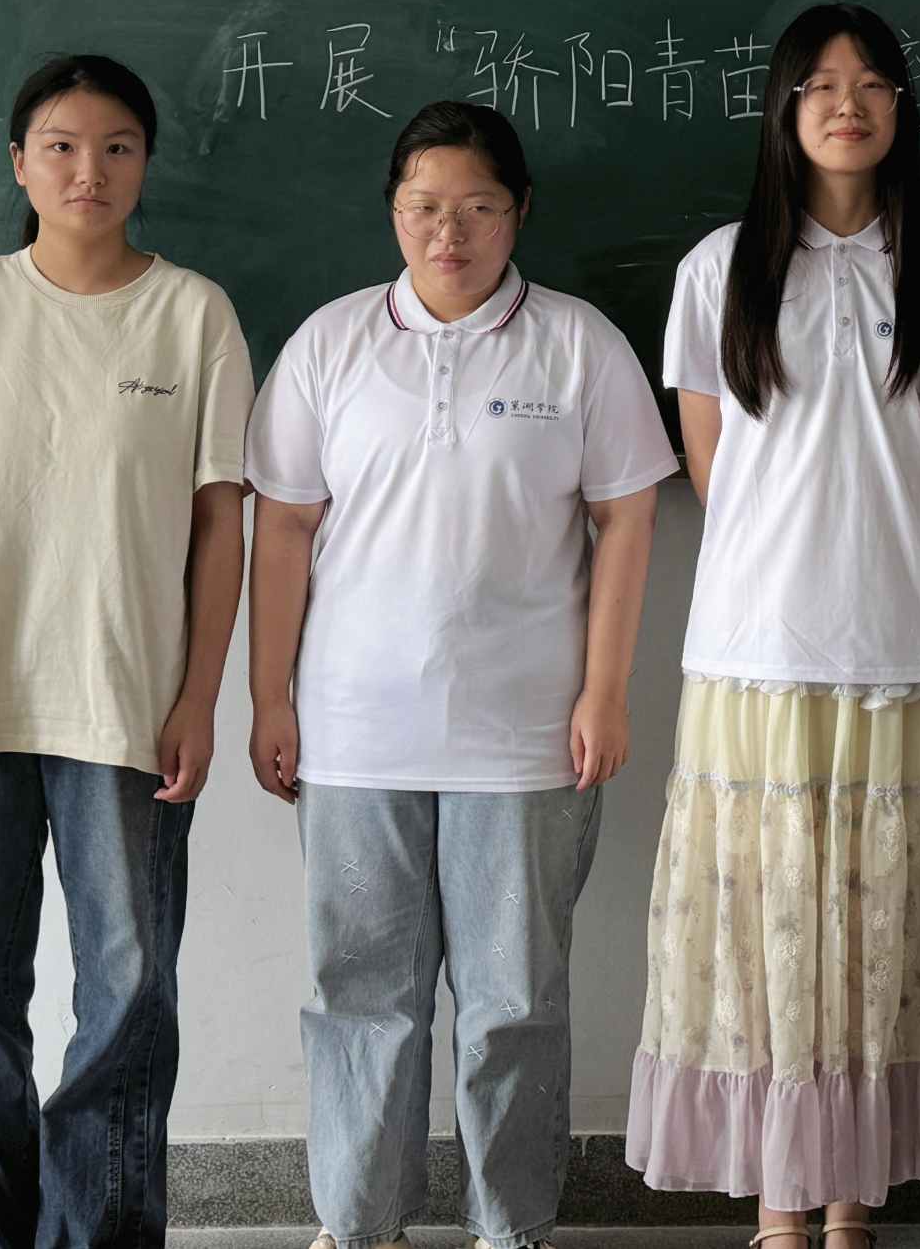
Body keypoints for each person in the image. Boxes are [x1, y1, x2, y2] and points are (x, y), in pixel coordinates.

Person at [245, 100, 675, 1249]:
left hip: (525, 735)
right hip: (354, 730)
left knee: (514, 1000)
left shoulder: (578, 343)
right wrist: (269, 694)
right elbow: (281, 527)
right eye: (425, 208)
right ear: (393, 212)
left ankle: (509, 1227)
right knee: (359, 993)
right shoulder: (332, 342)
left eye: (478, 208)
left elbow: (627, 518)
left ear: (519, 211)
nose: (450, 233)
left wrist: (605, 690)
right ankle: (357, 1223)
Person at [627, 2, 920, 1247]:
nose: (845, 104)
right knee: (769, 930)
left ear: (901, 108)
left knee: (876, 926)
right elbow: (711, 468)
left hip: (902, 644)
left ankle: (850, 1207)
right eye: (819, 84)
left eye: (870, 84)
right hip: (755, 649)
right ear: (783, 109)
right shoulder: (719, 268)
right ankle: (779, 1210)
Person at [0, 53, 251, 1249]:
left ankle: (100, 1232)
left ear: (147, 163)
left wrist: (199, 698)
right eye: (63, 146)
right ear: (20, 164)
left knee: (127, 998)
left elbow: (220, 526)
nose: (91, 170)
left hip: (125, 705)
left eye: (118, 146)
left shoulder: (193, 313)